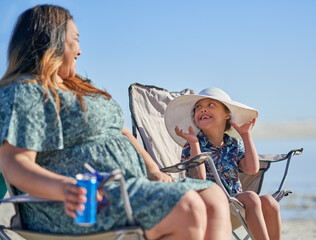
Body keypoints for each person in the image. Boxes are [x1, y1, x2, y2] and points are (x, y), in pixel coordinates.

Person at [0, 5, 232, 240]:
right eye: (75, 40)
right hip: (75, 203)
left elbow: (120, 131)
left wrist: (152, 169)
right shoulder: (26, 91)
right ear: (52, 42)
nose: (80, 51)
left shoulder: (76, 86)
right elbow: (15, 164)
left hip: (126, 188)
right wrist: (64, 188)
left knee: (213, 195)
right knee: (187, 206)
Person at [164, 87, 282, 240]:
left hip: (235, 203)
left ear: (227, 114)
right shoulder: (192, 144)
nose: (203, 109)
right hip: (210, 205)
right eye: (198, 107)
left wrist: (246, 135)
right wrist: (194, 144)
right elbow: (199, 180)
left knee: (270, 202)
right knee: (251, 197)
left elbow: (252, 169)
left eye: (210, 105)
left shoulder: (233, 143)